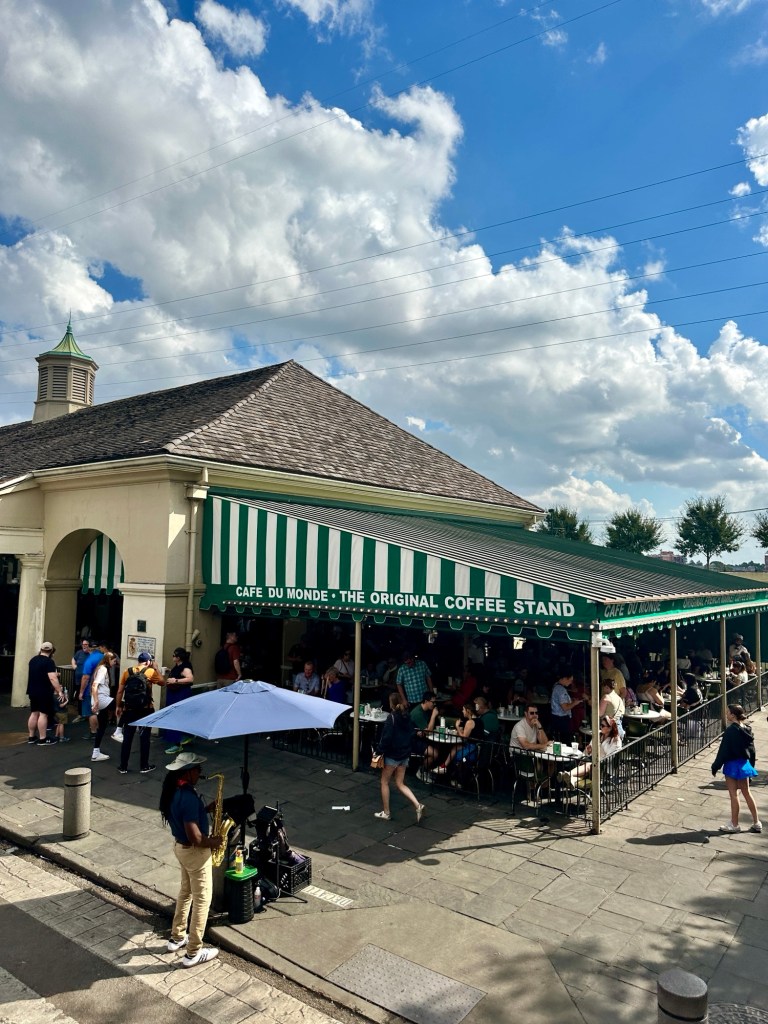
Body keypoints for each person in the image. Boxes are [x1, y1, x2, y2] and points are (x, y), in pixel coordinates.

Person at [160, 752, 223, 966]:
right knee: (202, 900)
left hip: (180, 849)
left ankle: (177, 937)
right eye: (198, 770)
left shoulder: (174, 790)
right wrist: (214, 842)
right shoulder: (187, 796)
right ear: (188, 772)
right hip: (195, 854)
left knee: (186, 892)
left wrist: (204, 809)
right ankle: (193, 951)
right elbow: (195, 837)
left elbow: (184, 817)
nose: (200, 774)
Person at [373, 693, 425, 823]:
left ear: (391, 704)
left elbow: (386, 738)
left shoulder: (391, 718)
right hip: (404, 754)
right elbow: (412, 733)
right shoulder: (406, 716)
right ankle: (417, 804)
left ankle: (386, 812)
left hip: (392, 755)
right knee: (400, 783)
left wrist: (378, 752)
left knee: (384, 782)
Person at [711, 704, 761, 834]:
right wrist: (751, 766)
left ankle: (734, 824)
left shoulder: (731, 730)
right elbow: (752, 750)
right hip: (744, 764)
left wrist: (715, 766)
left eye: (728, 712)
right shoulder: (747, 729)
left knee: (734, 795)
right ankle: (756, 822)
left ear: (733, 715)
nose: (726, 714)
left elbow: (723, 751)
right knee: (747, 793)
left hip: (732, 765)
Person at [117, 652, 164, 773]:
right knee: (144, 738)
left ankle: (123, 766)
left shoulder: (127, 672)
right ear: (148, 662)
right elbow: (162, 682)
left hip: (129, 709)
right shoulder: (150, 672)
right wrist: (156, 668)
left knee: (127, 738)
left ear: (138, 661)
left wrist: (118, 706)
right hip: (145, 709)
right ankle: (144, 766)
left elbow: (120, 691)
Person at [560, 716, 622, 789]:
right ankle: (572, 779)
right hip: (592, 762)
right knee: (586, 764)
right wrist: (589, 751)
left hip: (604, 768)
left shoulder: (615, 740)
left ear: (610, 728)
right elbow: (588, 751)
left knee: (589, 765)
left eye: (603, 726)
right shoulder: (598, 735)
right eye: (600, 725)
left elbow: (609, 758)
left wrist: (597, 751)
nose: (600, 727)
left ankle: (568, 774)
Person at [26, 641, 65, 746]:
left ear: (41, 649)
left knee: (34, 713)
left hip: (32, 690)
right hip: (43, 691)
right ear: (51, 651)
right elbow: (52, 678)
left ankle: (31, 736)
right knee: (43, 714)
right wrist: (59, 691)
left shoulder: (32, 660)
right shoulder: (49, 662)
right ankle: (43, 739)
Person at [434, 702, 486, 776]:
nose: (462, 711)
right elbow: (473, 734)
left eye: (463, 710)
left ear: (468, 711)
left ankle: (454, 774)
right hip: (477, 747)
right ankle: (443, 767)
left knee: (452, 752)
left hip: (472, 749)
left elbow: (464, 738)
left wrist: (457, 726)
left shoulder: (470, 722)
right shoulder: (479, 720)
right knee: (454, 748)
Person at [164, 648, 195, 754]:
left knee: (176, 716)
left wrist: (175, 680)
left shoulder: (185, 667)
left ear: (178, 658)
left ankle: (177, 743)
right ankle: (183, 737)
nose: (172, 657)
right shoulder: (178, 666)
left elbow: (190, 678)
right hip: (174, 694)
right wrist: (169, 671)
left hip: (180, 694)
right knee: (175, 716)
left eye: (174, 655)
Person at [90, 650, 119, 762]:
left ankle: (95, 753)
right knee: (121, 705)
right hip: (102, 699)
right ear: (109, 660)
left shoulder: (100, 668)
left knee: (102, 726)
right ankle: (119, 731)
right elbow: (94, 685)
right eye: (114, 661)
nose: (115, 663)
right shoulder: (103, 669)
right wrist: (96, 701)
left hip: (100, 700)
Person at [79, 641, 106, 740]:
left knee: (92, 712)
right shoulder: (103, 657)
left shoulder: (89, 660)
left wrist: (81, 692)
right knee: (99, 710)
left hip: (90, 689)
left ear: (90, 648)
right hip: (103, 687)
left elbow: (85, 677)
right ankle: (100, 729)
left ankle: (94, 732)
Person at [409, 692, 440, 770]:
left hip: (421, 738)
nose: (434, 704)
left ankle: (432, 769)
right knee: (434, 754)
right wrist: (433, 716)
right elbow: (428, 732)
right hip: (412, 741)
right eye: (433, 702)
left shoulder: (426, 710)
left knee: (440, 747)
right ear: (426, 701)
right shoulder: (418, 714)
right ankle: (422, 771)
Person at [550, 673, 582, 742]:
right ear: (564, 678)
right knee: (565, 741)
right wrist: (575, 703)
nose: (571, 683)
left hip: (556, 717)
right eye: (570, 680)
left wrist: (571, 701)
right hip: (561, 719)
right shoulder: (561, 690)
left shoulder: (556, 686)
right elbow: (565, 707)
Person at [71, 639, 91, 703]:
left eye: (86, 644)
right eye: (83, 644)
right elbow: (73, 659)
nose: (84, 646)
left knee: (85, 695)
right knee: (78, 693)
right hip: (78, 678)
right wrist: (74, 666)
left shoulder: (91, 654)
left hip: (87, 679)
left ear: (89, 645)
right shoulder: (79, 652)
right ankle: (79, 710)